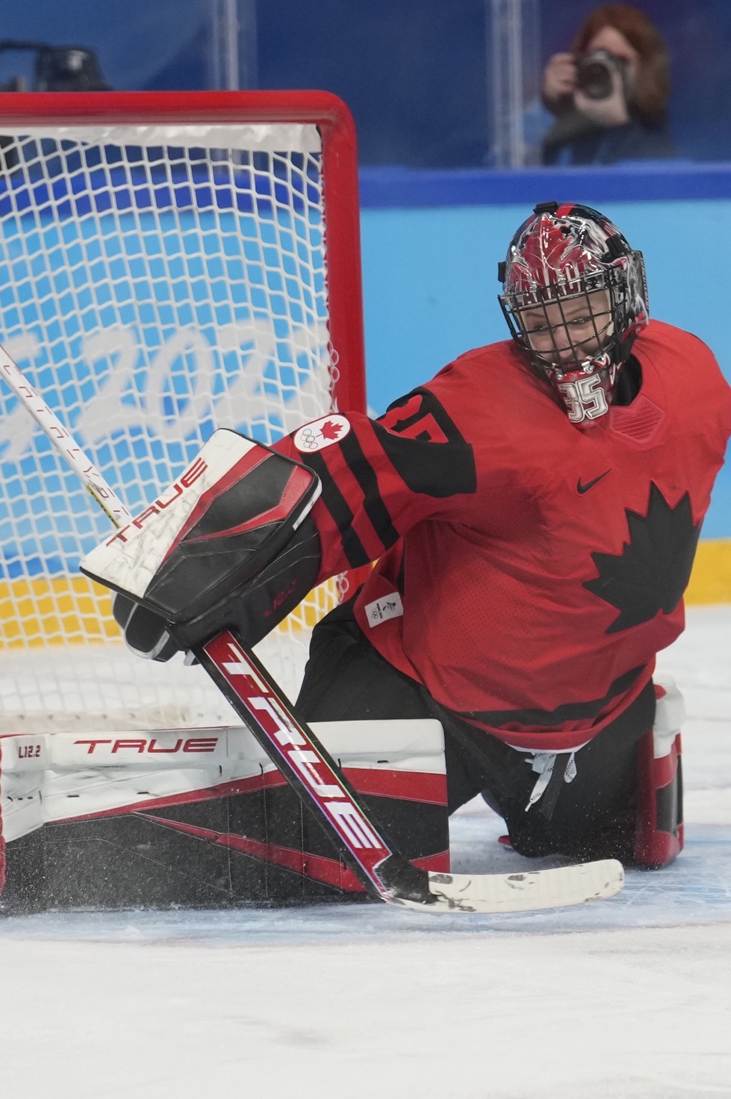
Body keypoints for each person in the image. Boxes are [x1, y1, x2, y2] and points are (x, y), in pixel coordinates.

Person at [108, 202, 730, 869]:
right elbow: (343, 472)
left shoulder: (693, 376)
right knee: (298, 863)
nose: (566, 341)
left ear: (628, 298)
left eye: (581, 315)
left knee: (619, 852)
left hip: (596, 712)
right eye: (542, 324)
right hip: (417, 691)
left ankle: (607, 748)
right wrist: (207, 556)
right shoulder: (481, 406)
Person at [540, 4, 675, 165]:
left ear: (643, 67)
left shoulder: (652, 122)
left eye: (621, 61)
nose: (608, 70)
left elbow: (658, 180)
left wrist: (619, 126)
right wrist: (550, 109)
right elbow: (524, 163)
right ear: (579, 59)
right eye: (600, 55)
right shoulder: (567, 114)